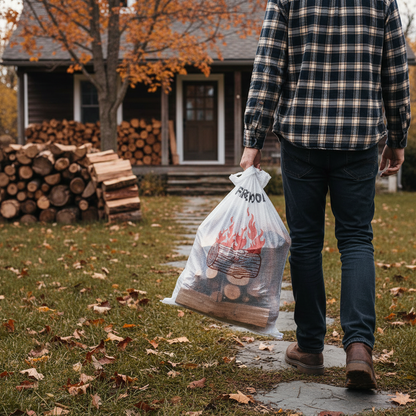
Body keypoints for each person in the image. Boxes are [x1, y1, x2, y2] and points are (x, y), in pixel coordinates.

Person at [240, 0, 411, 390]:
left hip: (302, 138)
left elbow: (267, 68)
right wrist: (398, 137)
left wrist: (253, 139)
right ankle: (359, 350)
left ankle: (311, 346)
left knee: (305, 242)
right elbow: (396, 73)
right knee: (355, 239)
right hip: (358, 139)